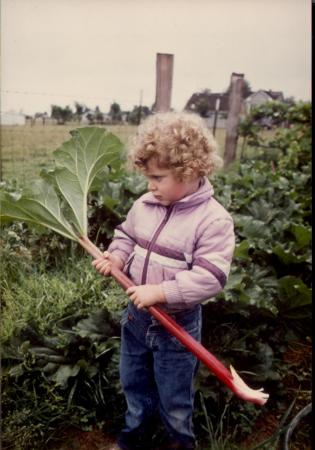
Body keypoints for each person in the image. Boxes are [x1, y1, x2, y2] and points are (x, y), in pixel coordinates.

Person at [92, 112, 235, 450]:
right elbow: (125, 236)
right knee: (134, 380)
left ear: (191, 171)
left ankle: (179, 439)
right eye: (147, 177)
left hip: (177, 324)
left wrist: (161, 291)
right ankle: (135, 429)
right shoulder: (145, 204)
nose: (150, 186)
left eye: (158, 177)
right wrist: (115, 257)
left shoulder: (213, 220)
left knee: (174, 392)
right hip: (136, 317)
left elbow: (210, 278)